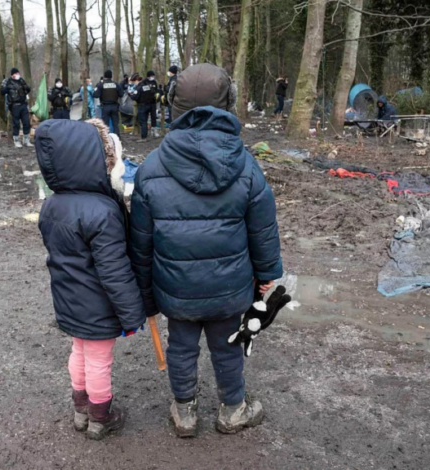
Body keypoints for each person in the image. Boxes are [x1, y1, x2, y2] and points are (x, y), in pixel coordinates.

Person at [129, 63, 283, 438]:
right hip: (230, 290)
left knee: (181, 348)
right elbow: (262, 229)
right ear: (227, 103)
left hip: (176, 289)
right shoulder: (247, 166)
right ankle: (233, 409)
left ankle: (184, 412)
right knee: (229, 347)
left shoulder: (150, 169)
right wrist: (267, 275)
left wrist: (146, 293)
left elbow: (141, 242)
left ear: (173, 106)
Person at [35, 117, 146, 440]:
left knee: (79, 350)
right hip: (97, 305)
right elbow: (114, 270)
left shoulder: (51, 205)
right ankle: (101, 415)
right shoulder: (102, 211)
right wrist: (132, 313)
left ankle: (80, 408)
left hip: (68, 299)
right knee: (99, 358)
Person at [0, 67, 32, 148]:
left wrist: (25, 87)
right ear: (12, 75)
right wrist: (7, 88)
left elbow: (28, 89)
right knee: (16, 124)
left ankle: (26, 140)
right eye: (16, 74)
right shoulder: (7, 81)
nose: (17, 75)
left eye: (18, 73)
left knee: (26, 122)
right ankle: (16, 140)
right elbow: (2, 92)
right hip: (14, 105)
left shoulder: (21, 80)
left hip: (23, 104)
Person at [129, 70, 159, 140]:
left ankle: (144, 137)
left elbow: (134, 97)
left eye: (134, 82)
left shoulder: (139, 87)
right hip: (149, 104)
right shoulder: (146, 86)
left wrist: (130, 94)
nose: (134, 83)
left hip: (142, 106)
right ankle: (145, 136)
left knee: (143, 122)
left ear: (136, 80)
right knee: (145, 121)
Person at [93, 70, 124, 137]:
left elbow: (95, 95)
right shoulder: (116, 84)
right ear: (111, 76)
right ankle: (117, 138)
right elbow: (121, 94)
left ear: (104, 76)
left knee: (105, 124)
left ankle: (106, 139)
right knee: (115, 124)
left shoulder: (101, 85)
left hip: (105, 106)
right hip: (115, 106)